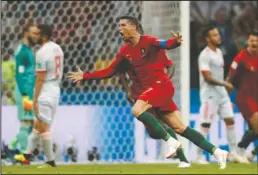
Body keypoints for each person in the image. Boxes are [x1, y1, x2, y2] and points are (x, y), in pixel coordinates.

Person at [68, 15, 229, 169]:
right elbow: (110, 71)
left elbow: (166, 44)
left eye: (123, 25)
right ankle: (217, 152)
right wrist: (85, 75)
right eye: (119, 26)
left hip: (160, 86)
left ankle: (172, 144)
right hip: (149, 92)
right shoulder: (125, 51)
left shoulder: (149, 41)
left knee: (136, 110)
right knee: (179, 128)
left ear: (134, 27)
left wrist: (177, 41)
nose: (119, 29)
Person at [118, 23, 190, 168]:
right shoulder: (126, 53)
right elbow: (120, 72)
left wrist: (163, 83)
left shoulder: (155, 50)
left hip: (155, 91)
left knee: (166, 124)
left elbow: (170, 65)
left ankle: (182, 158)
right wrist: (127, 90)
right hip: (138, 94)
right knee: (152, 131)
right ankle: (178, 151)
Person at [15, 24, 64, 168]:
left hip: (45, 91)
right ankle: (26, 155)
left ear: (43, 35)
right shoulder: (58, 48)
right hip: (56, 89)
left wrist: (34, 99)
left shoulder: (41, 53)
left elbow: (40, 78)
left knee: (43, 127)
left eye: (37, 33)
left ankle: (50, 161)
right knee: (37, 125)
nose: (35, 36)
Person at [196, 25, 244, 164]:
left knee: (230, 120)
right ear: (207, 38)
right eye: (215, 35)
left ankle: (234, 153)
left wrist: (224, 88)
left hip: (222, 95)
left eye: (218, 34)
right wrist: (225, 84)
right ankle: (199, 156)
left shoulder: (218, 51)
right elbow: (207, 77)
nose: (218, 37)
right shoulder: (204, 55)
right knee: (205, 125)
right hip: (209, 95)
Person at [226, 31, 258, 162]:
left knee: (254, 130)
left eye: (256, 41)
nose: (254, 43)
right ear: (247, 42)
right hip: (245, 98)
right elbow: (229, 78)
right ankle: (241, 150)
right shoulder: (241, 57)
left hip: (256, 98)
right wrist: (226, 98)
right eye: (252, 41)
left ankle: (246, 152)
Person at [10, 24, 39, 153]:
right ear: (26, 33)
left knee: (31, 123)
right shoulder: (22, 51)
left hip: (27, 91)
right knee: (26, 121)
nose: (36, 36)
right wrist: (25, 93)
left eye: (37, 34)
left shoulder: (27, 50)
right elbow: (20, 75)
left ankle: (15, 143)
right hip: (24, 92)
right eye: (33, 33)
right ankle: (22, 152)